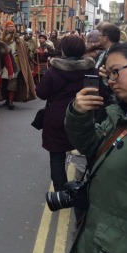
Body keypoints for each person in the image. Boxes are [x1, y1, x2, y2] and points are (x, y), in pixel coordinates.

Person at [64, 41, 127, 253]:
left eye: (115, 72)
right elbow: (92, 147)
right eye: (107, 74)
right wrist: (79, 113)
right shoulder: (119, 113)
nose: (110, 82)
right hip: (100, 239)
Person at [36, 36, 96, 193]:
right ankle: (87, 188)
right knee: (89, 153)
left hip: (56, 118)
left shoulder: (53, 71)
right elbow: (97, 94)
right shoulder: (90, 70)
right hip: (82, 117)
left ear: (63, 50)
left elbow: (41, 93)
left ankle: (62, 193)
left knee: (57, 156)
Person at [0, 21, 36, 109]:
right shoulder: (2, 38)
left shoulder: (18, 39)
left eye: (12, 26)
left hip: (15, 62)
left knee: (13, 82)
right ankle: (7, 99)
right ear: (6, 28)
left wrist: (23, 45)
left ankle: (11, 101)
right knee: (4, 82)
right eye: (9, 26)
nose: (11, 28)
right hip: (4, 63)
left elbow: (22, 50)